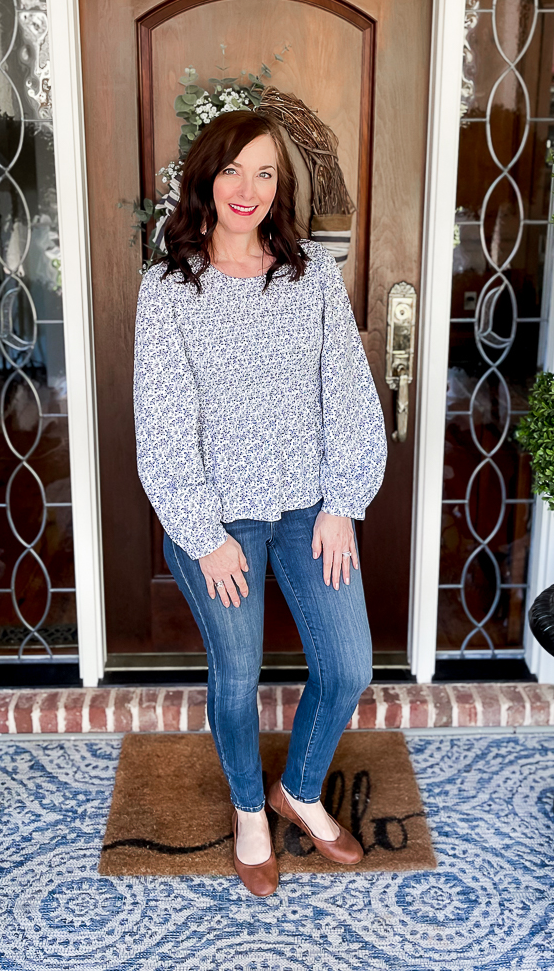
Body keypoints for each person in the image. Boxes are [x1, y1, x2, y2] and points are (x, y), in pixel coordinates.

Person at [133, 109, 387, 896]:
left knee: (348, 665)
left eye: (265, 173)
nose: (248, 189)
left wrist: (344, 501)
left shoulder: (308, 275)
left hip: (311, 507)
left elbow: (347, 392)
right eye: (234, 170)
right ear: (207, 177)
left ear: (280, 187)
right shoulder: (169, 287)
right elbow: (163, 421)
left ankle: (299, 790)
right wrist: (202, 533)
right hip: (217, 518)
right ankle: (250, 810)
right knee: (236, 673)